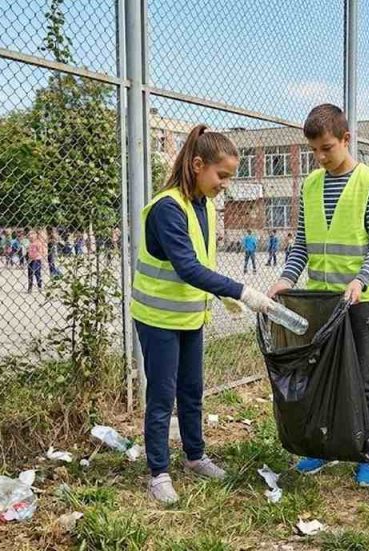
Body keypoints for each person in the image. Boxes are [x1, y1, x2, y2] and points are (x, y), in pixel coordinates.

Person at [131, 124, 276, 505]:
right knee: (162, 396)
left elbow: (202, 262)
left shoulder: (205, 206)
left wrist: (217, 296)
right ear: (197, 165)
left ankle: (195, 457)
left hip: (190, 317)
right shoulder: (167, 208)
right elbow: (187, 267)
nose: (225, 184)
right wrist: (242, 292)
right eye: (221, 175)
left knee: (192, 390)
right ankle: (158, 472)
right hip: (158, 317)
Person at [268, 103, 369, 487]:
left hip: (360, 300)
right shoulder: (310, 185)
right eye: (314, 151)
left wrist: (360, 281)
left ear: (346, 139)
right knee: (317, 374)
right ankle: (320, 448)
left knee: (363, 377)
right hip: (320, 300)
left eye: (327, 148)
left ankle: (366, 451)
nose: (320, 158)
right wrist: (287, 279)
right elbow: (302, 244)